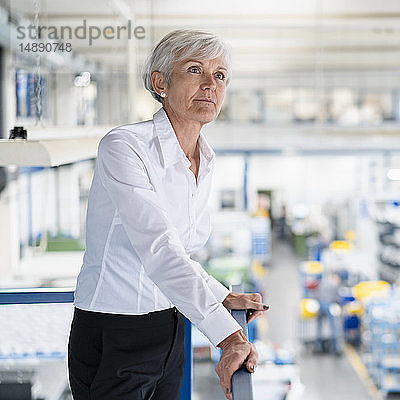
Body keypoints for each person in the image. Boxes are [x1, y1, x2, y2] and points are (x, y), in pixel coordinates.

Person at [68, 29, 268, 400]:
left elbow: (180, 252)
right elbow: (159, 248)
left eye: (220, 75)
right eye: (195, 70)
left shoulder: (203, 159)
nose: (210, 84)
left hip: (172, 324)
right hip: (116, 332)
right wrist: (229, 335)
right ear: (160, 82)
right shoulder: (125, 147)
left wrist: (219, 293)